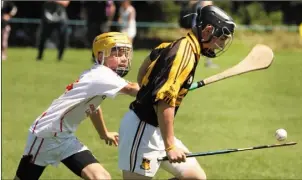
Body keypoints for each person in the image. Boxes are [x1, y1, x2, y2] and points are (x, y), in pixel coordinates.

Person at [118, 5, 235, 179]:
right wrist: (170, 145)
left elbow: (145, 68)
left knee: (195, 177)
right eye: (221, 38)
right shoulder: (184, 53)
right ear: (207, 31)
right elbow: (164, 101)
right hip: (142, 129)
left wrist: (147, 88)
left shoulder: (179, 45)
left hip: (156, 129)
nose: (220, 45)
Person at [14, 32, 139, 180]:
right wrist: (160, 87)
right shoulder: (103, 75)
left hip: (65, 138)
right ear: (100, 56)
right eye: (117, 53)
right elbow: (133, 90)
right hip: (46, 135)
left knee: (101, 178)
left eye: (125, 54)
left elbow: (93, 108)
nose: (124, 58)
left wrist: (104, 133)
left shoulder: (101, 75)